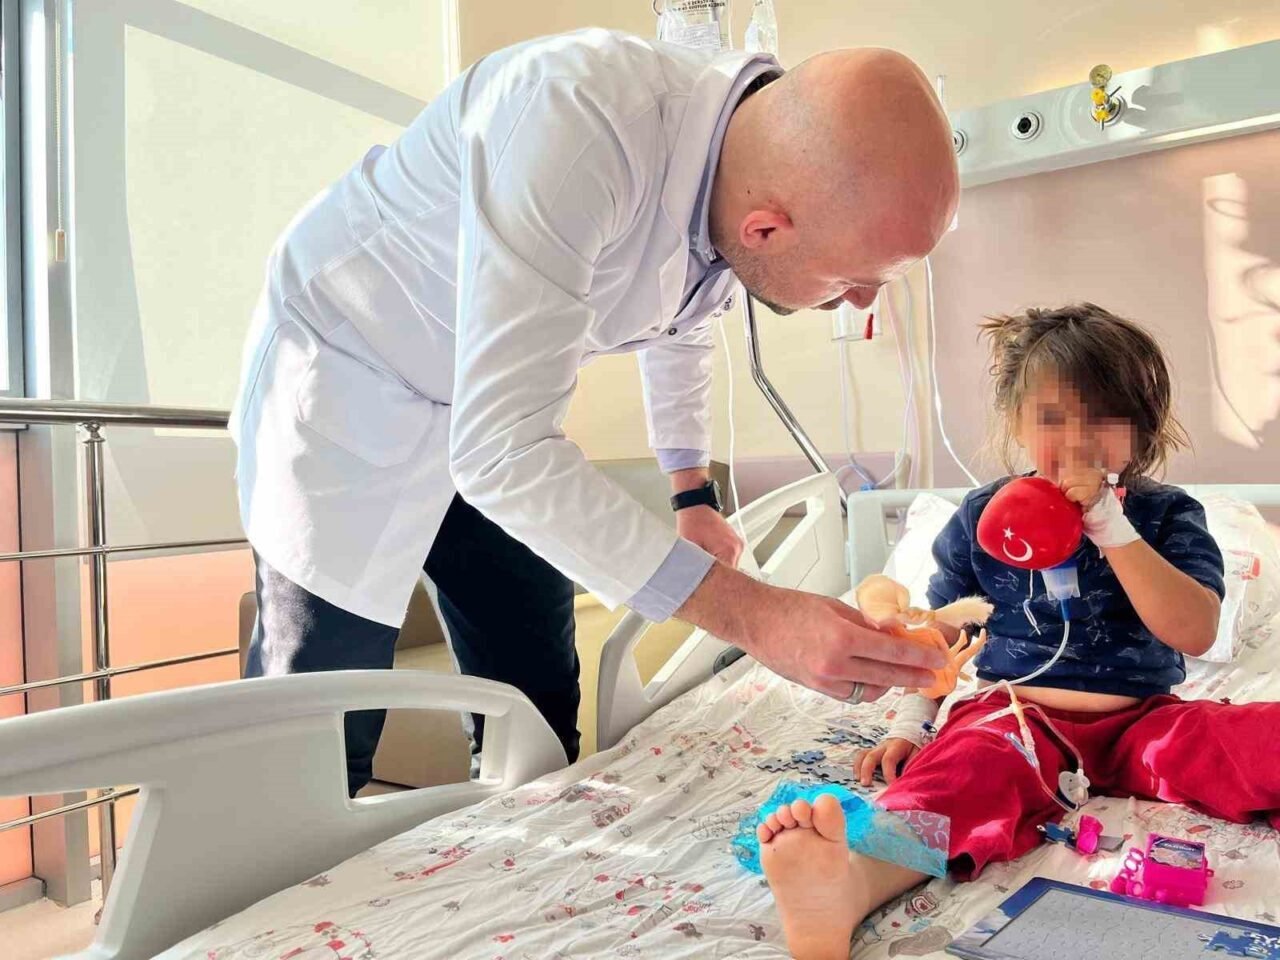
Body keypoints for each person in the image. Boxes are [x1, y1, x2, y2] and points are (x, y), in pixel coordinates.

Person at [232, 28, 957, 796]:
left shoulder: (735, 171)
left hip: (484, 407)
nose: (860, 302)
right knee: (319, 721)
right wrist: (758, 616)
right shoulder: (573, 127)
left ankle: (507, 840)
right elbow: (503, 453)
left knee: (535, 691)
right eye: (852, 279)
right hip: (349, 378)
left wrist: (690, 492)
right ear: (768, 229)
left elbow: (682, 324)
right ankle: (263, 861)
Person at [755, 303, 1280, 960]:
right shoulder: (982, 518)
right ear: (1017, 423)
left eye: (1102, 419)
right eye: (1054, 419)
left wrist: (1112, 528)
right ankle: (848, 883)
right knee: (967, 770)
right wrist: (911, 724)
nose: (1078, 440)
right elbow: (940, 643)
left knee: (1251, 738)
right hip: (1015, 715)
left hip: (1143, 722)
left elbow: (1195, 632)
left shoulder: (1168, 514)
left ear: (1141, 429)